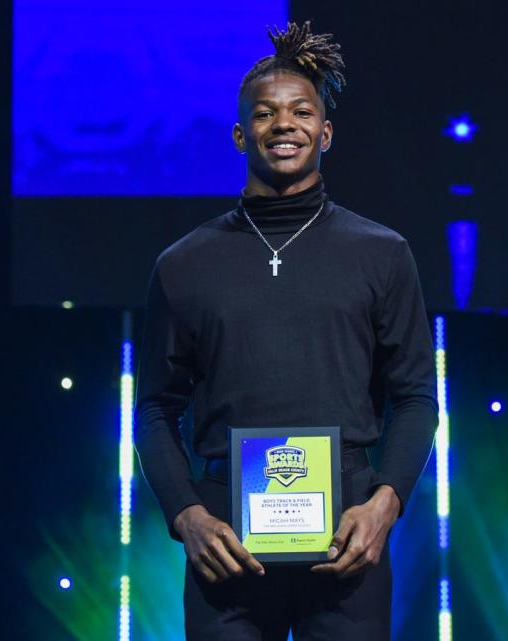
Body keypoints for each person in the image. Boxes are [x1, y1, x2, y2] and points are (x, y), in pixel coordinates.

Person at [134, 21, 438, 641]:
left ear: (325, 133)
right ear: (241, 134)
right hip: (227, 546)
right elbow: (154, 410)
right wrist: (186, 515)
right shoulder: (184, 263)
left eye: (302, 111)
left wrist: (385, 505)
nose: (285, 124)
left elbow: (416, 398)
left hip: (347, 535)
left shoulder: (381, 253)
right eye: (266, 114)